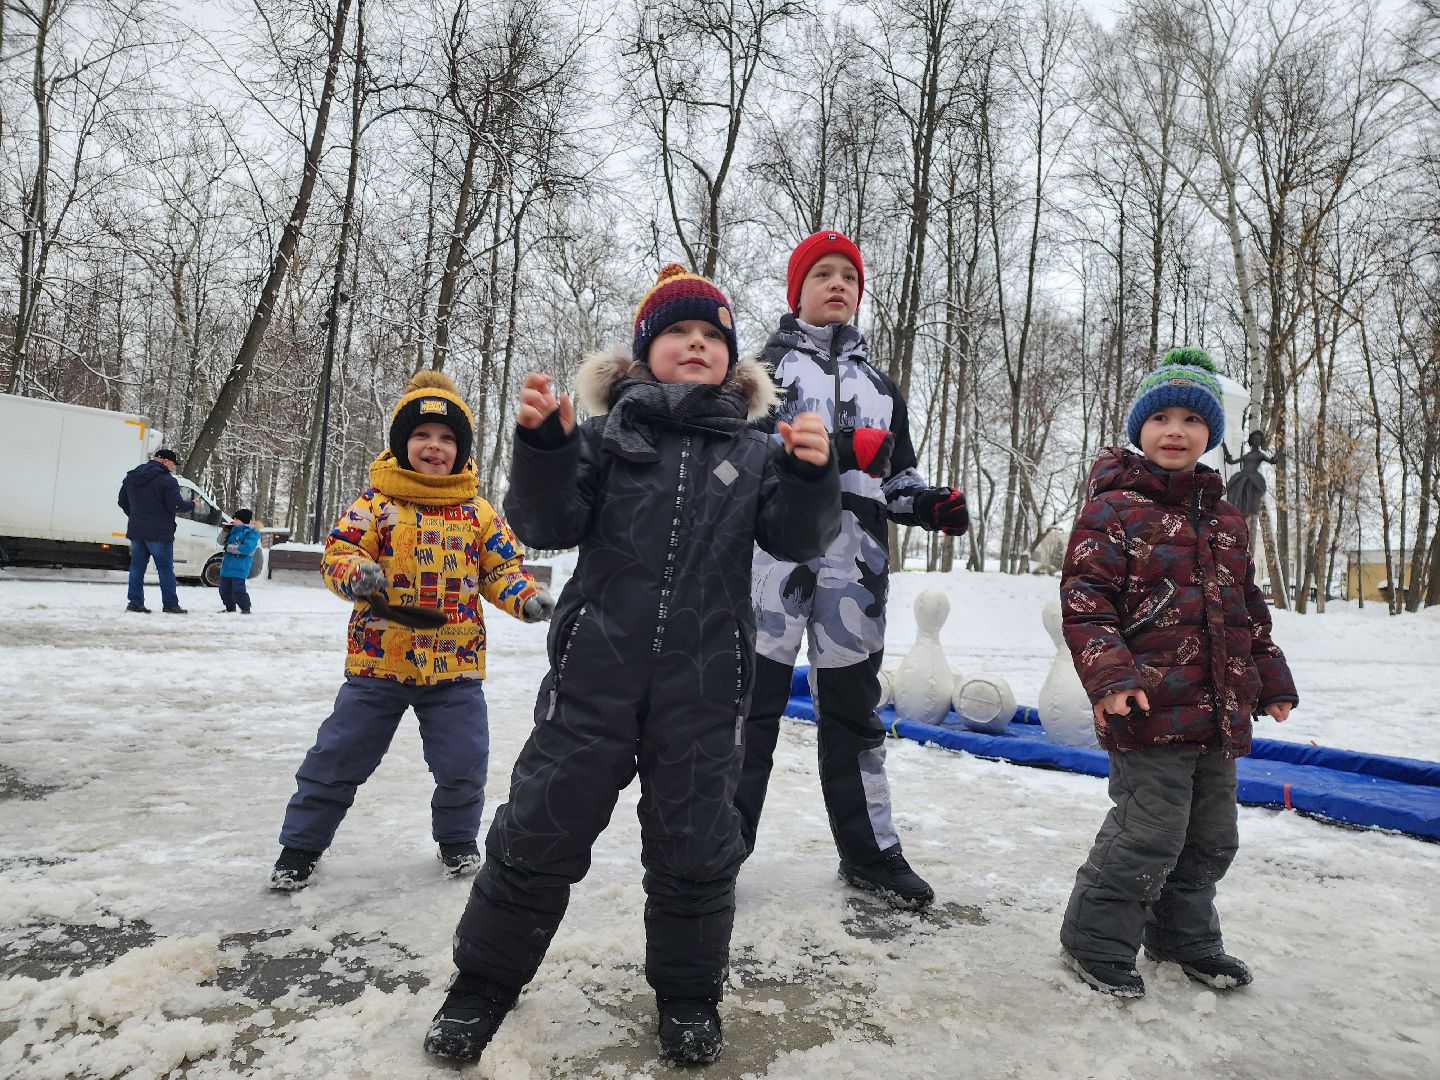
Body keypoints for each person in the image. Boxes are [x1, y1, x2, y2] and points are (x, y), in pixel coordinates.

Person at [423, 265, 841, 1068]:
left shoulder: (755, 453)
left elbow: (799, 537)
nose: (697, 344)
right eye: (680, 333)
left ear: (733, 362)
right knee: (536, 832)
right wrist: (544, 447)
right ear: (646, 353)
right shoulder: (607, 439)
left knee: (696, 848)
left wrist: (814, 476)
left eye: (713, 337)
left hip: (706, 688)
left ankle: (687, 998)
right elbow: (544, 520)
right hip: (593, 683)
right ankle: (480, 986)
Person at [733, 230, 969, 911]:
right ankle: (718, 848)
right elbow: (743, 460)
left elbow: (895, 477)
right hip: (769, 574)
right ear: (796, 291)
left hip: (854, 580)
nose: (838, 285)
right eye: (823, 275)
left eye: (850, 278)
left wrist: (928, 503)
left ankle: (870, 854)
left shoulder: (881, 386)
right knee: (745, 717)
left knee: (855, 721)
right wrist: (837, 446)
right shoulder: (760, 372)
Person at [1058, 347, 1299, 998]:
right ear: (1139, 428)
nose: (1175, 430)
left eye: (1191, 420)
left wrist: (1270, 677)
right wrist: (1111, 678)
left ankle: (1182, 937)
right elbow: (1086, 601)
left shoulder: (1224, 519)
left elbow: (1247, 606)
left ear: (1210, 435)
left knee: (1212, 839)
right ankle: (1095, 940)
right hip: (1146, 707)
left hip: (1217, 712)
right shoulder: (1112, 509)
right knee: (1149, 834)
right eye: (1160, 416)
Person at [268, 370, 552, 892]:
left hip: (455, 666)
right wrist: (356, 573)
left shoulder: (478, 512)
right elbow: (340, 552)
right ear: (402, 444)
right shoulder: (375, 504)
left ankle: (457, 842)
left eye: (446, 438)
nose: (434, 446)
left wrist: (526, 597)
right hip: (379, 661)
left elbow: (500, 568)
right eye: (422, 435)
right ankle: (300, 847)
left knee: (465, 761)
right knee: (338, 755)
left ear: (460, 449)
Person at [118, 447, 197, 614]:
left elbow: (122, 501)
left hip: (136, 530)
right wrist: (192, 504)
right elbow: (176, 505)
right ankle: (170, 605)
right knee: (165, 569)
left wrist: (135, 516)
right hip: (160, 532)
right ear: (165, 461)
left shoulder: (132, 477)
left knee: (137, 568)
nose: (173, 468)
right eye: (173, 464)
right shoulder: (167, 480)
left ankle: (135, 603)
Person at [1222, 429, 1279, 521]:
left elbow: (1271, 461)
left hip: (1253, 480)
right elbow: (1231, 462)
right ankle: (1235, 514)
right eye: (1255, 439)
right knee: (1236, 496)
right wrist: (1225, 449)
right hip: (1241, 478)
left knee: (1249, 498)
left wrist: (1275, 458)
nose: (1257, 441)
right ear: (1251, 440)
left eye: (1259, 440)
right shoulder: (1247, 455)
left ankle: (1243, 516)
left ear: (1261, 442)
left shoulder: (1260, 455)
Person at [217, 508, 260, 613]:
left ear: (243, 521)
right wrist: (225, 530)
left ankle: (245, 608)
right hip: (227, 566)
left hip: (240, 567)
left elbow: (247, 549)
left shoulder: (251, 532)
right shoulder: (232, 529)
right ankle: (230, 608)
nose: (234, 521)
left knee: (238, 590)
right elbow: (220, 541)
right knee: (224, 589)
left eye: (237, 519)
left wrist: (230, 548)